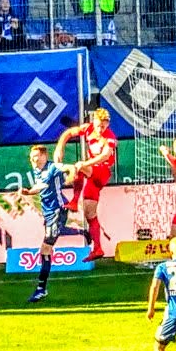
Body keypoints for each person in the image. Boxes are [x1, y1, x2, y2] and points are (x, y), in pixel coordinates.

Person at [60, 109, 117, 262]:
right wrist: (60, 147)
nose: (100, 129)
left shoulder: (110, 137)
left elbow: (105, 156)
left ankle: (74, 201)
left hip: (102, 171)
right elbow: (68, 133)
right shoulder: (87, 129)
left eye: (103, 126)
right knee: (89, 213)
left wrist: (85, 164)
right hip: (93, 177)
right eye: (98, 126)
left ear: (107, 124)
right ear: (94, 122)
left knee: (79, 165)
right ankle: (97, 248)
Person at [15, 142, 69, 304]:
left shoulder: (53, 167)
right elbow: (40, 185)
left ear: (45, 156)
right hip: (49, 213)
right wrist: (29, 192)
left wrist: (71, 177)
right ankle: (82, 232)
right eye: (31, 157)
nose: (33, 160)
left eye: (36, 157)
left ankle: (41, 289)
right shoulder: (38, 170)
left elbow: (71, 168)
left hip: (57, 211)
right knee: (47, 249)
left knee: (45, 249)